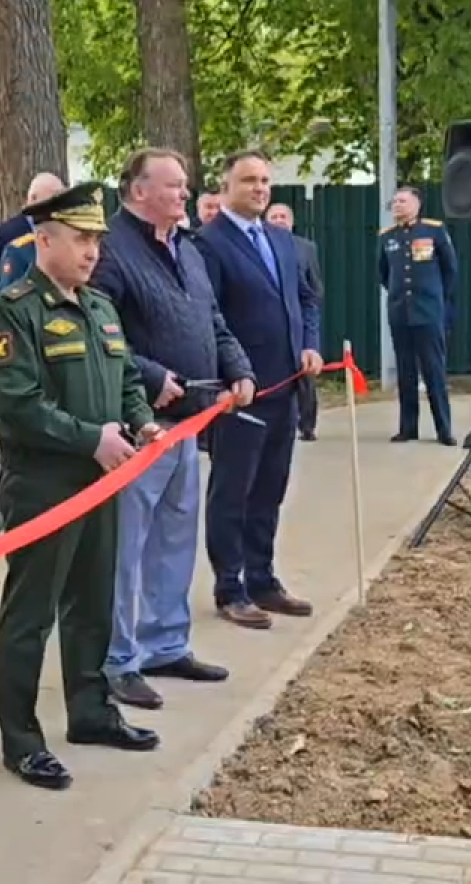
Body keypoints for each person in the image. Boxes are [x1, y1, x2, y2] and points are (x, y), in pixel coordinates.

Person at [0, 182, 163, 790]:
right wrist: (91, 437)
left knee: (92, 605)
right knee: (31, 615)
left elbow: (128, 376)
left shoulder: (99, 307)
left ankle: (90, 712)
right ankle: (22, 739)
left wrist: (143, 420)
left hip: (102, 483)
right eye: (82, 239)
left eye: (97, 241)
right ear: (46, 238)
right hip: (45, 487)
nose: (92, 252)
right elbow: (16, 406)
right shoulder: (13, 310)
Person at [90, 147, 252, 711]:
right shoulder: (111, 250)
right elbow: (100, 336)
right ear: (138, 191)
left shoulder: (187, 249)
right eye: (174, 186)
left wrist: (239, 368)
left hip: (191, 423)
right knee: (126, 549)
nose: (185, 194)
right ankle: (118, 659)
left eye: (185, 186)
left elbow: (213, 321)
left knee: (175, 542)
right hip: (140, 427)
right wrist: (152, 376)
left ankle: (165, 643)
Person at [195, 154, 322, 629]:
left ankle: (263, 578)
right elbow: (211, 318)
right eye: (249, 180)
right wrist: (232, 373)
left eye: (266, 180)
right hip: (241, 393)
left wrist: (310, 344)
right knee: (233, 491)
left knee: (271, 488)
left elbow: (307, 299)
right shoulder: (208, 244)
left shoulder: (281, 240)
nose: (259, 188)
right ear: (226, 186)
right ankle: (230, 586)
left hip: (287, 387)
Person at [378, 186, 457, 445]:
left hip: (428, 312)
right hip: (400, 312)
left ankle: (444, 429)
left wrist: (435, 300)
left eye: (402, 200)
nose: (397, 205)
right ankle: (408, 427)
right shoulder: (386, 236)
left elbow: (450, 269)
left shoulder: (433, 230)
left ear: (417, 204)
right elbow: (384, 274)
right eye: (395, 201)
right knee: (406, 372)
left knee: (434, 370)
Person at [266, 201, 323, 440]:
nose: (279, 220)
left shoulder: (305, 247)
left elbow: (313, 285)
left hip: (300, 319)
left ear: (291, 222)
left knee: (305, 377)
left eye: (283, 216)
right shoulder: (261, 247)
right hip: (272, 323)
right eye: (274, 216)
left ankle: (307, 424)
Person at [0, 171, 65, 305]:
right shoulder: (7, 233)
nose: (59, 205)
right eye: (54, 198)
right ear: (33, 198)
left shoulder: (64, 231)